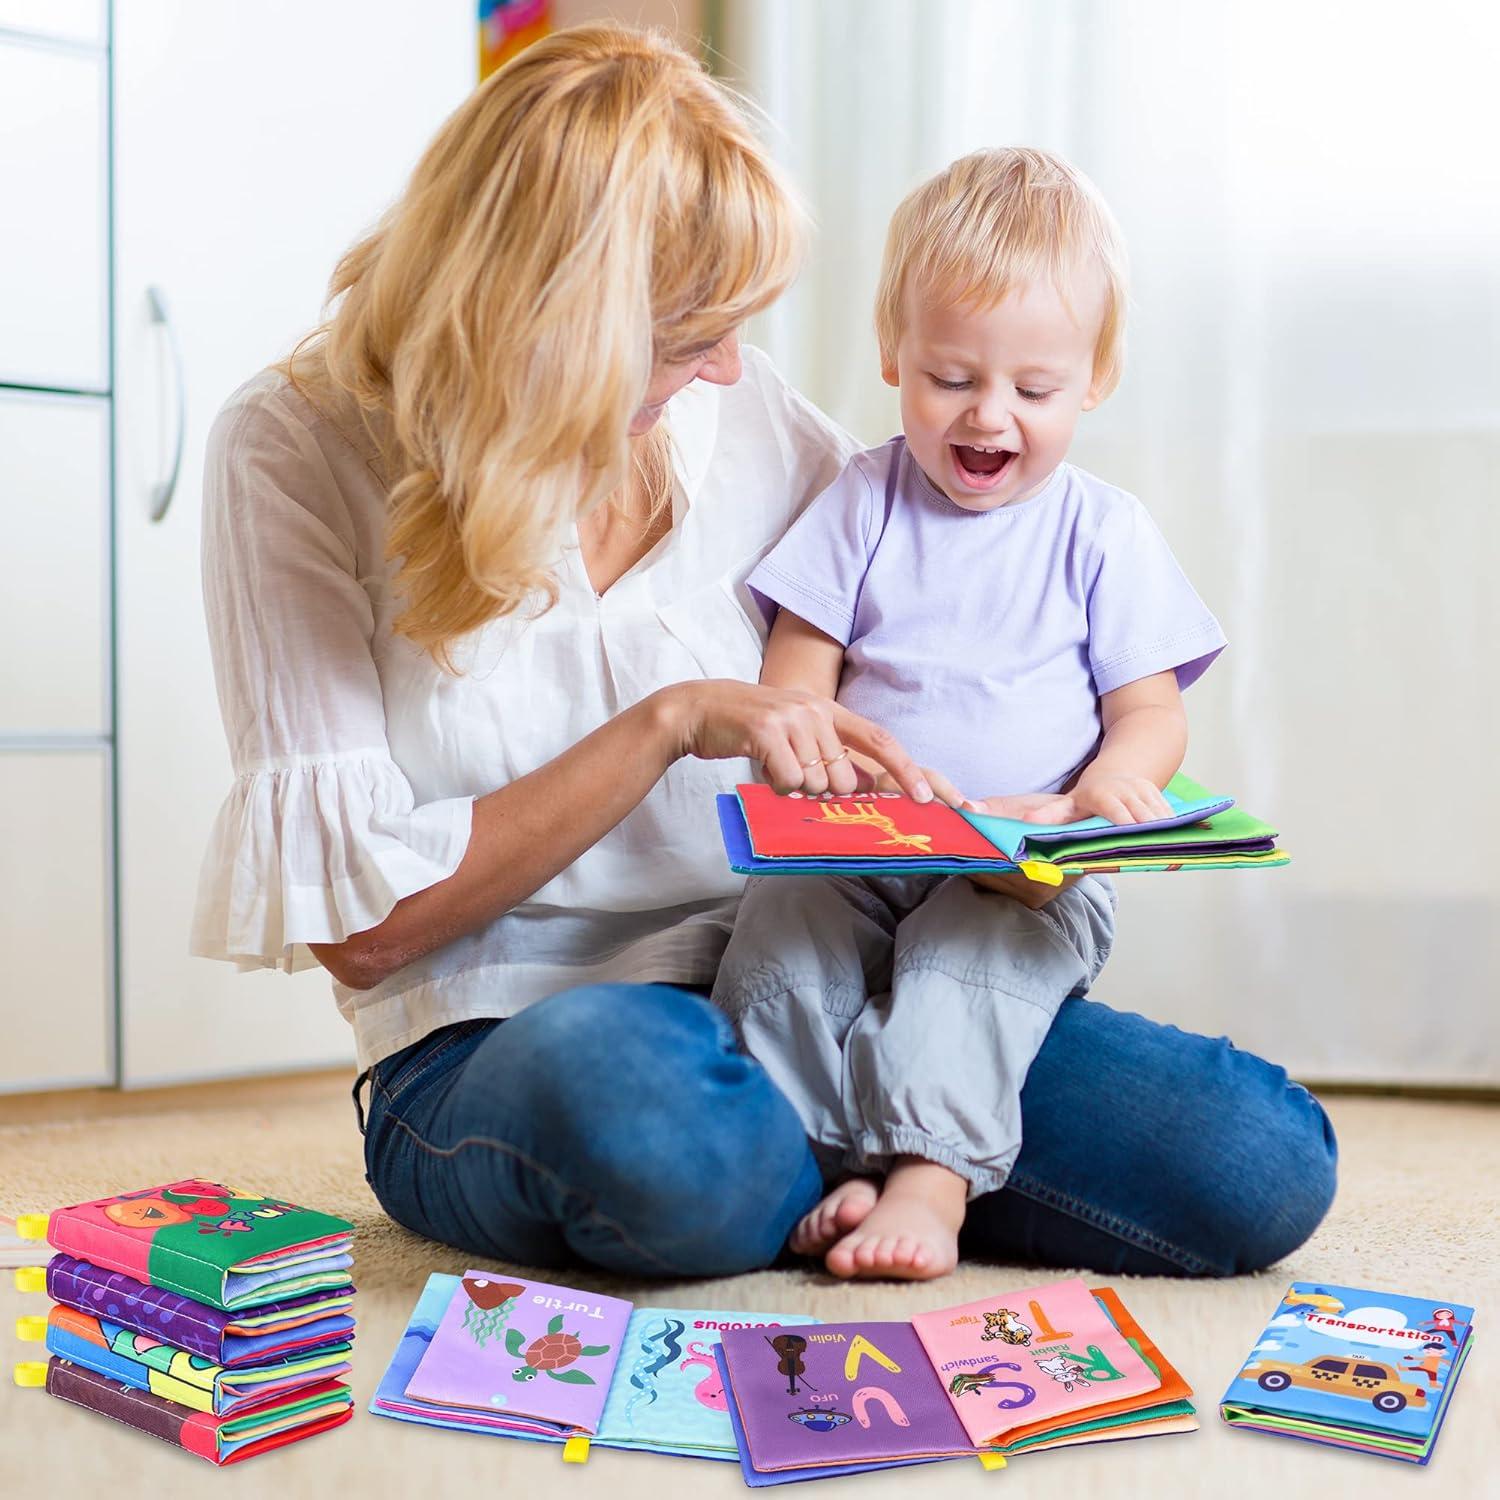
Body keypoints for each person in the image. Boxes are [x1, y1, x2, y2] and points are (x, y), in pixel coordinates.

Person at [191, 25, 1337, 1281]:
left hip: (815, 975)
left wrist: (1021, 826)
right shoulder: (293, 448)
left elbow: (921, 616)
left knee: (1253, 1158)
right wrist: (669, 721)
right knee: (659, 1123)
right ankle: (875, 1154)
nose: (732, 367)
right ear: (559, 328)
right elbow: (363, 931)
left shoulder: (739, 415)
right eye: (692, 335)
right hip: (510, 1031)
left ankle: (883, 1164)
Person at [712, 148, 1227, 1281]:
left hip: (1013, 865)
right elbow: (802, 660)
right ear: (893, 353)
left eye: (1033, 391)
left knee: (964, 965)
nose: (989, 415)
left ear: (1094, 378)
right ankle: (820, 1164)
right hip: (856, 842)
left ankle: (932, 1177)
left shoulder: (1104, 531)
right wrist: (803, 754)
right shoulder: (863, 497)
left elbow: (1148, 708)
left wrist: (1110, 786)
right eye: (950, 378)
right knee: (776, 949)